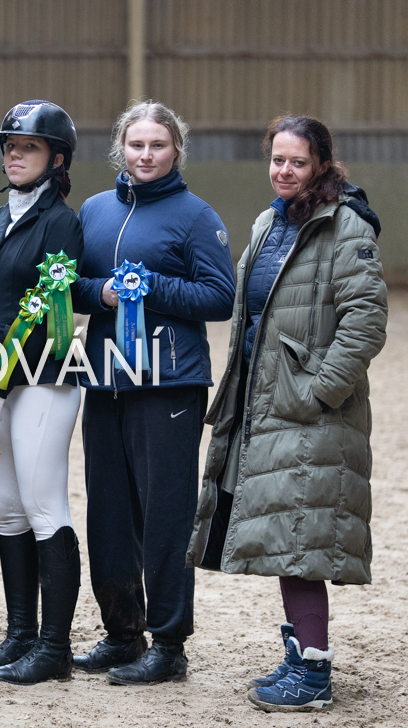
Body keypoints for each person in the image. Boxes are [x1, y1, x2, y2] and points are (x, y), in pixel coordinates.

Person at [186, 115, 386, 712]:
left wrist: (318, 392)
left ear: (321, 163)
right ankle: (301, 655)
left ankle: (314, 673)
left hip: (311, 414)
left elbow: (366, 321)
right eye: (277, 159)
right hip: (265, 406)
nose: (285, 171)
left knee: (299, 539)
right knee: (285, 537)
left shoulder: (345, 226)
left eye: (298, 161)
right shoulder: (268, 222)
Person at [70, 101, 235, 684]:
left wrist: (151, 286)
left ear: (175, 150)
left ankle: (168, 643)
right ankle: (122, 633)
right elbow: (72, 287)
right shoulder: (94, 210)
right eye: (136, 145)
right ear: (121, 147)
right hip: (104, 379)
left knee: (165, 517)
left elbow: (220, 297)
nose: (145, 155)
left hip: (169, 383)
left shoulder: (196, 216)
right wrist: (103, 294)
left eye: (157, 145)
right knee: (108, 513)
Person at [0, 101, 85, 685]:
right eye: (10, 145)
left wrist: (1, 384)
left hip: (42, 381)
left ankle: (55, 647)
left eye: (28, 146)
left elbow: (41, 312)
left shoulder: (62, 224)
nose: (14, 154)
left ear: (56, 159)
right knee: (6, 509)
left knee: (42, 506)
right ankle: (20, 635)